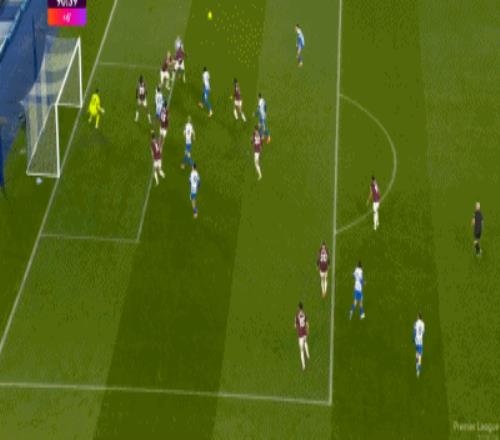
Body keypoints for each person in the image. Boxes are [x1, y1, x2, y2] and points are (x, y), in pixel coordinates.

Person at [295, 302, 310, 371]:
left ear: (298, 307)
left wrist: (296, 325)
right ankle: (308, 355)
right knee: (305, 342)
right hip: (305, 332)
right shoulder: (305, 314)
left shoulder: (297, 315)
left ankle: (303, 366)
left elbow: (295, 325)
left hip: (300, 334)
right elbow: (307, 323)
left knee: (301, 350)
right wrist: (307, 331)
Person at [413, 313, 425, 378]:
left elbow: (414, 332)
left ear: (418, 317)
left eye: (417, 316)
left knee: (417, 354)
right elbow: (423, 332)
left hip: (416, 340)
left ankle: (417, 365)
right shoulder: (423, 323)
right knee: (420, 355)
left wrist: (413, 339)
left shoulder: (416, 323)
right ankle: (418, 370)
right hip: (420, 341)